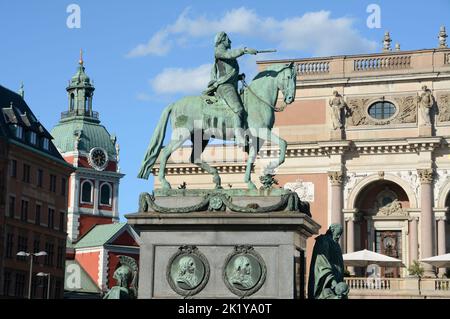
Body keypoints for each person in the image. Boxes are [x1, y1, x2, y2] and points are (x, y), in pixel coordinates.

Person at [203, 31, 258, 147]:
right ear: (222, 40)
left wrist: (238, 77)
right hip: (225, 87)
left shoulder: (224, 53)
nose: (230, 41)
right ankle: (239, 136)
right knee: (238, 109)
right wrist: (244, 50)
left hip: (230, 86)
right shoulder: (219, 52)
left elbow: (227, 73)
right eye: (228, 39)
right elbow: (231, 55)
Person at [308, 224, 348, 299]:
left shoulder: (336, 244)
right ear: (332, 231)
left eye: (340, 235)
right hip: (326, 283)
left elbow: (339, 264)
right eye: (338, 234)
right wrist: (333, 282)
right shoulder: (323, 240)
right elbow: (322, 263)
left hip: (336, 282)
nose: (339, 236)